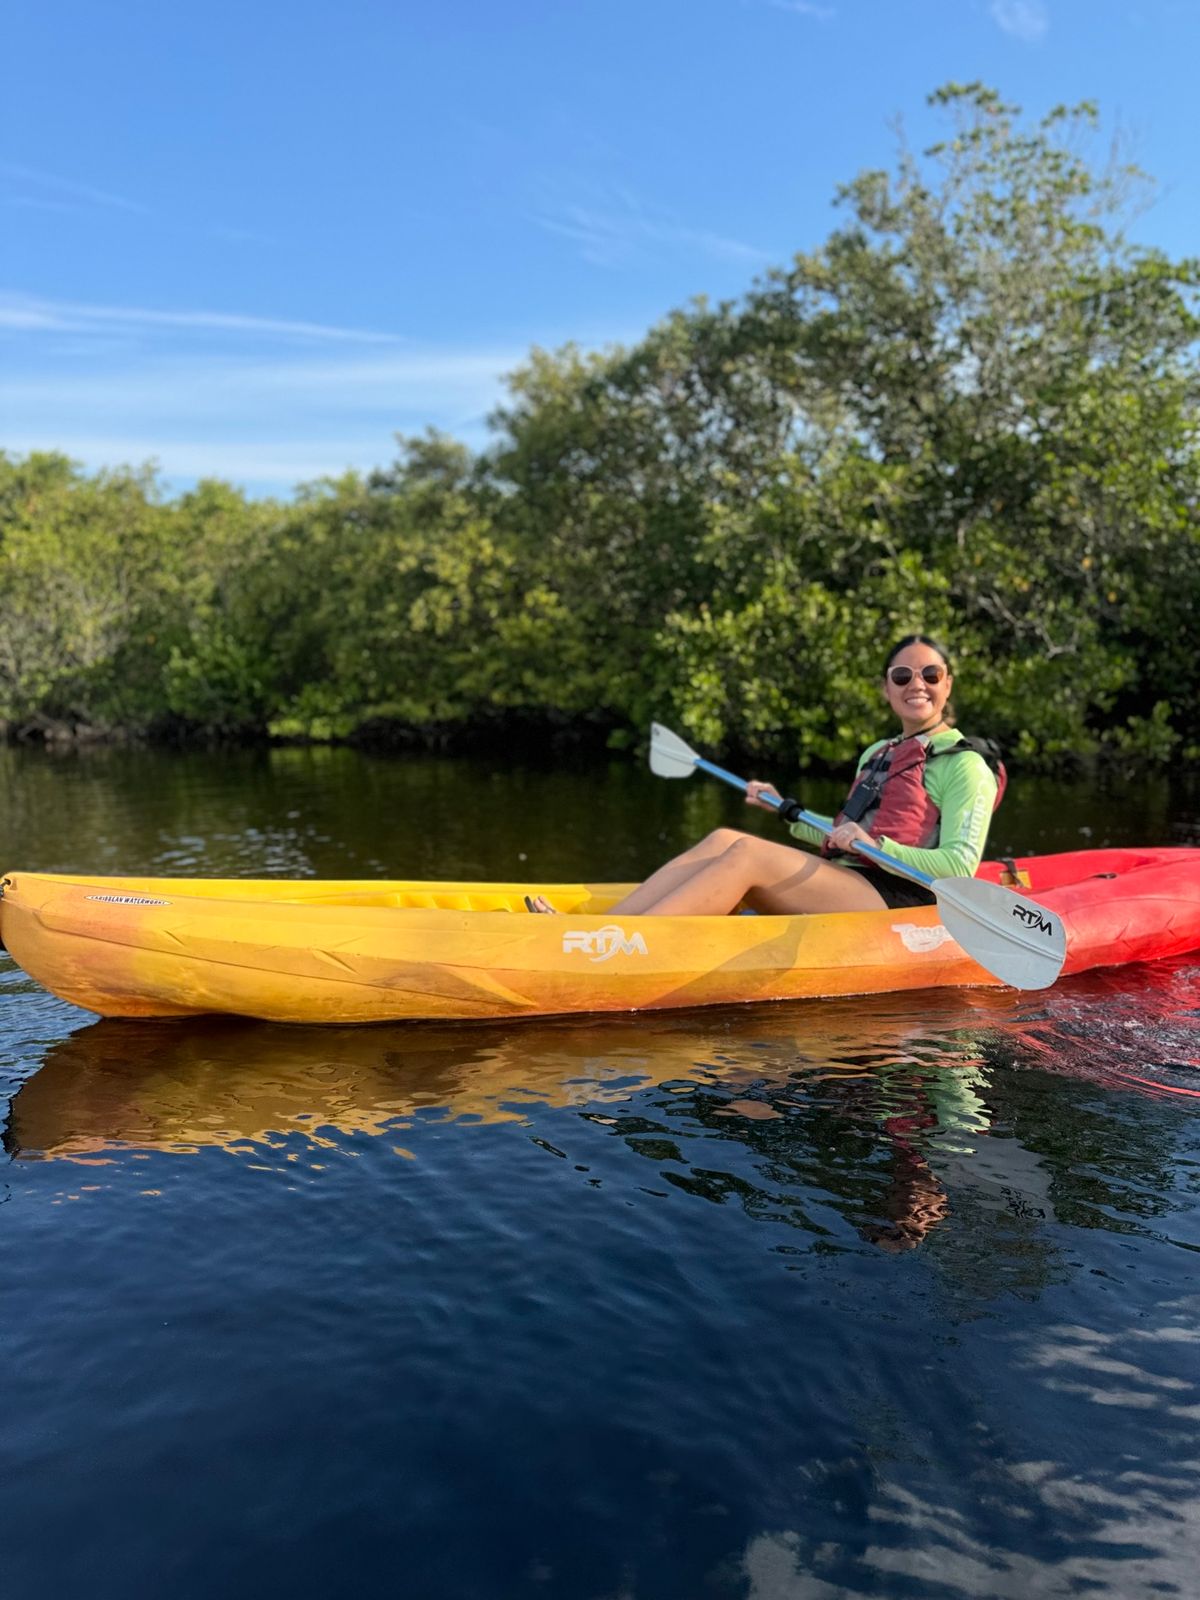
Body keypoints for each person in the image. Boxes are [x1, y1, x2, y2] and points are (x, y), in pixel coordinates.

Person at [530, 634, 1000, 917]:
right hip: (854, 878)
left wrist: (879, 849)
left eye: (931, 674)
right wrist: (783, 808)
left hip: (903, 899)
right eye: (902, 676)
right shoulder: (879, 752)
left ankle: (628, 942)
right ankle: (601, 930)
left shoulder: (964, 765)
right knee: (722, 839)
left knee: (747, 856)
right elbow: (843, 835)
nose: (917, 684)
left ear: (947, 684)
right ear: (886, 689)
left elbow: (960, 867)